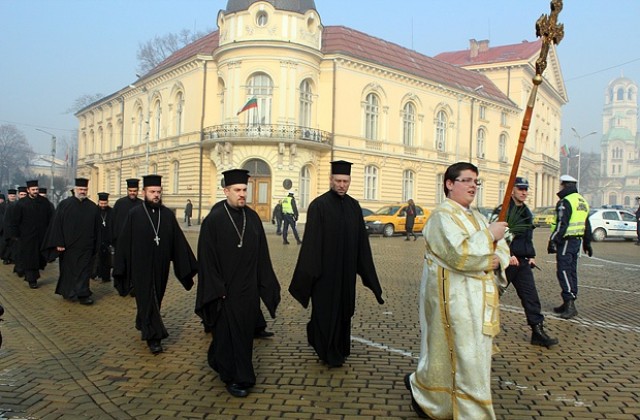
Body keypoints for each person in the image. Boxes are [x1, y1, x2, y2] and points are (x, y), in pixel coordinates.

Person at [404, 162, 509, 419]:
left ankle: (433, 396)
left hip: (479, 302)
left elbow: (502, 248)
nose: (474, 185)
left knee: (470, 360)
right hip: (454, 301)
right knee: (465, 361)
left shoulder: (479, 217)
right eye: (467, 180)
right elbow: (458, 254)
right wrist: (488, 238)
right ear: (450, 184)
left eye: (476, 181)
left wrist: (498, 258)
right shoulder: (442, 216)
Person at [289, 160, 384, 368]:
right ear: (331, 180)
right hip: (324, 275)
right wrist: (310, 275)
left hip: (346, 273)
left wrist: (369, 276)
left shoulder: (353, 206)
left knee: (343, 311)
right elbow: (312, 244)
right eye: (338, 181)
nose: (342, 185)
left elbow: (362, 244)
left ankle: (339, 348)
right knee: (325, 312)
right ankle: (326, 351)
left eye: (346, 181)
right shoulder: (319, 206)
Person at [196, 169, 281, 398]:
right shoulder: (214, 220)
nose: (242, 194)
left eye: (245, 189)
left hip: (248, 292)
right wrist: (217, 289)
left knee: (243, 336)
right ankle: (235, 377)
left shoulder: (252, 218)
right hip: (224, 291)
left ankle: (225, 364)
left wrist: (266, 284)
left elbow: (262, 255)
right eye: (237, 190)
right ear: (226, 191)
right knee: (226, 336)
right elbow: (206, 259)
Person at [113, 175, 197, 355]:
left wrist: (187, 266)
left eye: (158, 192)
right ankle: (154, 338)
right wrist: (120, 266)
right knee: (147, 296)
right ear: (144, 193)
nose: (156, 195)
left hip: (161, 266)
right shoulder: (134, 214)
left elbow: (178, 242)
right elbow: (124, 242)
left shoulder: (167, 215)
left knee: (156, 297)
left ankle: (142, 320)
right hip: (140, 266)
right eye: (152, 192)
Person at [492, 177, 558, 348]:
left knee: (531, 297)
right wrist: (509, 254)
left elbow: (528, 236)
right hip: (506, 261)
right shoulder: (504, 210)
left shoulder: (526, 211)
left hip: (522, 262)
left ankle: (537, 331)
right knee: (491, 296)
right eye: (520, 188)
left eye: (526, 189)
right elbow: (496, 235)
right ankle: (478, 329)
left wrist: (531, 255)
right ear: (512, 190)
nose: (524, 192)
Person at [42, 178, 101, 305]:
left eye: (85, 189)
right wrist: (59, 243)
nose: (83, 191)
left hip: (86, 246)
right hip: (68, 247)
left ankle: (83, 294)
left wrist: (97, 244)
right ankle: (68, 291)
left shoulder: (92, 207)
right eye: (80, 189)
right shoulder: (65, 204)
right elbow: (56, 225)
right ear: (74, 190)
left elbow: (97, 228)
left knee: (84, 271)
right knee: (68, 271)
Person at [548, 174, 592, 320]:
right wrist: (587, 243)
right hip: (577, 241)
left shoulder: (565, 201)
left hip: (566, 241)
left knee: (564, 271)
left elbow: (562, 224)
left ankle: (569, 303)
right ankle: (569, 300)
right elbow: (587, 224)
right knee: (572, 271)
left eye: (561, 185)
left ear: (565, 185)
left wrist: (553, 240)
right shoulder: (582, 201)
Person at [10, 180, 53, 289]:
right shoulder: (21, 203)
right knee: (29, 258)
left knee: (39, 258)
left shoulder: (44, 202)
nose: (35, 191)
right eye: (33, 190)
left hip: (41, 236)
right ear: (28, 190)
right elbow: (15, 220)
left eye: (37, 189)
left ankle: (34, 275)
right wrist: (15, 235)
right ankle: (31, 279)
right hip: (27, 237)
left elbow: (51, 218)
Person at [111, 178, 142, 296]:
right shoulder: (120, 203)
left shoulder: (141, 204)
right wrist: (114, 239)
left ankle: (134, 287)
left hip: (136, 243)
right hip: (121, 242)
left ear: (138, 190)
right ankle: (122, 287)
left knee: (135, 267)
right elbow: (113, 222)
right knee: (121, 265)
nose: (132, 193)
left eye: (134, 191)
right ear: (127, 190)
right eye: (130, 190)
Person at [93, 192, 114, 283]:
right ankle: (94, 274)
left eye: (105, 204)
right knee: (96, 258)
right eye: (101, 203)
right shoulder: (94, 211)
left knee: (107, 259)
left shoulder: (111, 211)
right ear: (98, 202)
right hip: (97, 237)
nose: (103, 205)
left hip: (107, 238)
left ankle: (106, 276)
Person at [1, 189, 17, 265]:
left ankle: (13, 258)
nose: (12, 197)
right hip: (5, 228)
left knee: (14, 245)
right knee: (6, 245)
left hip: (14, 228)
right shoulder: (3, 205)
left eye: (14, 196)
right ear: (8, 196)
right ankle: (6, 258)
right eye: (11, 196)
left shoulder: (18, 204)